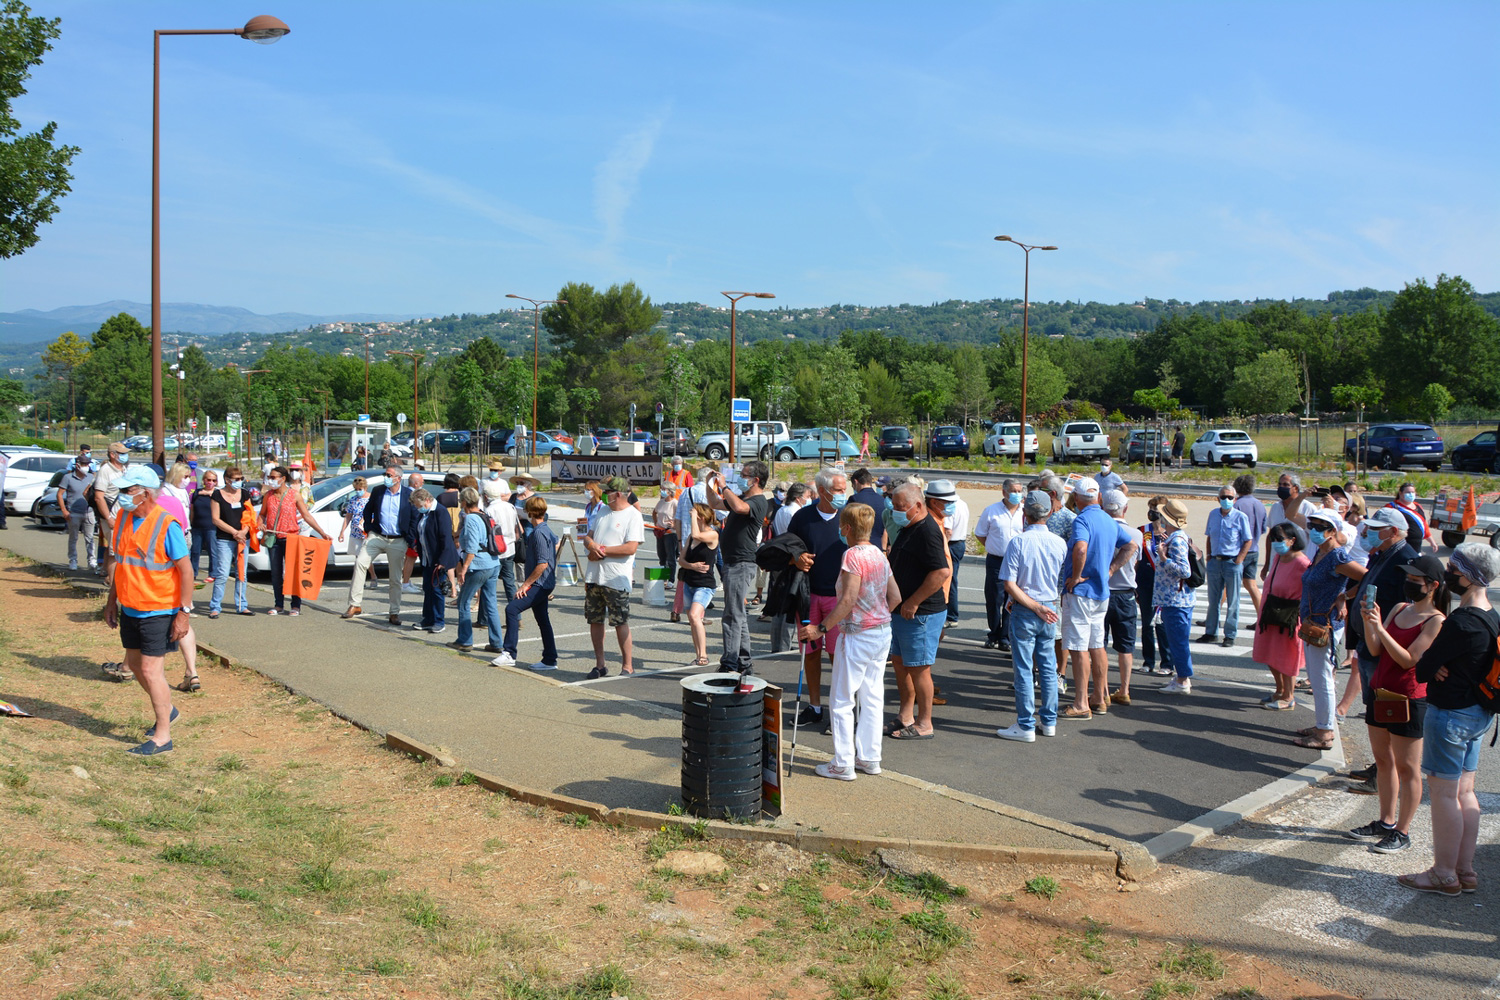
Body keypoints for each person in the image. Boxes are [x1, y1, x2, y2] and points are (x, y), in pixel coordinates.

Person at [1399, 543, 1500, 895]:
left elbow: (1423, 667)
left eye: (1454, 570)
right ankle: (1465, 870)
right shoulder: (1491, 616)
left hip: (1450, 716)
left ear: (1469, 575)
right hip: (1479, 714)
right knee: (1466, 793)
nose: (1449, 576)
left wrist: (1438, 666)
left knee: (1443, 795)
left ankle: (1444, 873)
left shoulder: (1460, 622)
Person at [1343, 554, 1446, 855]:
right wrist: (1369, 623)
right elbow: (1375, 649)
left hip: (1409, 698)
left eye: (1416, 581)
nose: (1409, 584)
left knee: (1407, 767)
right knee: (1384, 760)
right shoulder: (1400, 608)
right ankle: (1386, 821)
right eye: (1408, 579)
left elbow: (1409, 659)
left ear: (1433, 585)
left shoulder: (1436, 620)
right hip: (1381, 691)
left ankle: (1403, 830)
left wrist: (1382, 629)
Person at [797, 503, 898, 779]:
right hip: (881, 631)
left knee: (842, 699)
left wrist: (821, 627)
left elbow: (849, 598)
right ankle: (869, 757)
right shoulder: (878, 553)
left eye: (842, 526)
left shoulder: (852, 555)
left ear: (848, 528)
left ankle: (843, 762)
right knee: (872, 697)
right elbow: (895, 597)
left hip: (857, 632)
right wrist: (877, 614)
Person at [103, 465, 194, 755]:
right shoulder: (123, 520)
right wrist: (111, 601)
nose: (123, 496)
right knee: (136, 665)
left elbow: (186, 570)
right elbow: (121, 564)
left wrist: (184, 612)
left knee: (150, 670)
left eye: (129, 491)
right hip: (130, 607)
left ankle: (162, 737)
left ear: (146, 493)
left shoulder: (167, 524)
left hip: (159, 608)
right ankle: (167, 708)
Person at [1336, 507, 1419, 773]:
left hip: (1384, 646)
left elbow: (1409, 609)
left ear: (1394, 531)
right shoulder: (1383, 554)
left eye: (1375, 529)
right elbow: (1366, 585)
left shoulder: (1406, 559)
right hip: (1369, 641)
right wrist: (1347, 598)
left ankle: (1383, 770)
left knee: (1385, 710)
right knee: (1375, 709)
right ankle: (1380, 768)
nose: (1369, 533)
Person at [995, 490, 1069, 742]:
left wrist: (1030, 604)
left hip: (1027, 608)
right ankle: (1049, 721)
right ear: (1049, 512)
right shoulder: (1060, 542)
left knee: (1024, 668)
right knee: (1048, 668)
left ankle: (1025, 724)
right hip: (1049, 605)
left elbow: (1010, 584)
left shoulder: (1019, 542)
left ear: (1025, 513)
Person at [1061, 478, 1138, 717]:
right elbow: (1131, 546)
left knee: (1078, 647)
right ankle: (1099, 696)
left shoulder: (1082, 519)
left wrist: (1075, 576)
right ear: (1099, 497)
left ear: (1077, 498)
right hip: (1101, 592)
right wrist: (1111, 570)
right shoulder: (1107, 519)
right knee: (1097, 645)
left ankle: (1081, 702)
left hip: (1082, 592)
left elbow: (1081, 548)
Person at [1294, 509, 1366, 749]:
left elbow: (1367, 577)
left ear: (1333, 531)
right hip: (1312, 622)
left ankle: (1325, 732)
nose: (1313, 529)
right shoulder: (1320, 552)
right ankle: (1322, 724)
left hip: (1324, 625)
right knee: (1316, 677)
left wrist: (1344, 596)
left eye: (1319, 526)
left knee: (1322, 678)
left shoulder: (1337, 557)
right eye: (1311, 524)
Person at [885, 481, 952, 740]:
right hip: (904, 612)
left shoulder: (927, 531)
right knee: (901, 664)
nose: (896, 511)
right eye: (894, 506)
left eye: (901, 507)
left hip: (921, 613)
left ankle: (925, 723)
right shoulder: (909, 526)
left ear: (918, 506)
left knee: (920, 668)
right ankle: (905, 716)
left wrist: (913, 601)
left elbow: (941, 571)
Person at [786, 468, 851, 729]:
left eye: (844, 489)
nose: (843, 494)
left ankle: (840, 711)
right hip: (808, 596)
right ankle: (814, 707)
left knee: (838, 657)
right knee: (810, 654)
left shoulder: (849, 516)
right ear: (822, 491)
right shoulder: (802, 518)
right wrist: (796, 559)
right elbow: (786, 550)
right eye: (838, 490)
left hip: (839, 599)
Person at [707, 461, 770, 679]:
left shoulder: (758, 501)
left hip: (742, 563)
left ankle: (730, 662)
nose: (741, 478)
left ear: (756, 480)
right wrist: (711, 482)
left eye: (744, 475)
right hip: (734, 562)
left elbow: (740, 508)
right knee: (738, 615)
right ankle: (743, 661)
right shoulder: (742, 498)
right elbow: (714, 503)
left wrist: (724, 486)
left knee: (732, 615)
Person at [582, 476, 644, 679]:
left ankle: (628, 666)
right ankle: (600, 664)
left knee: (620, 621)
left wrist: (603, 550)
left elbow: (630, 547)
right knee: (595, 620)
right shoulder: (603, 511)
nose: (604, 494)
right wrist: (591, 545)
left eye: (607, 492)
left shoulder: (633, 516)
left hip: (616, 578)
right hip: (595, 575)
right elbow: (589, 535)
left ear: (618, 494)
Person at [491, 496, 560, 670]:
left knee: (512, 609)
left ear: (529, 512)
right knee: (542, 619)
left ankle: (509, 653)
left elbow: (542, 563)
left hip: (540, 583)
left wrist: (525, 585)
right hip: (545, 583)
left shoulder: (538, 533)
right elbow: (556, 544)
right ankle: (550, 659)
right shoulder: (546, 529)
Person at [344, 465, 417, 625]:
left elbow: (413, 518)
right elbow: (367, 510)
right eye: (386, 474)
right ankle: (354, 604)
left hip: (397, 539)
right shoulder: (378, 491)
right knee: (360, 563)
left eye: (389, 475)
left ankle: (394, 612)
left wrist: (409, 539)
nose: (386, 477)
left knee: (395, 577)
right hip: (376, 536)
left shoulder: (408, 494)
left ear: (398, 478)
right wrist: (369, 529)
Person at [258, 465, 331, 616]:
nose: (270, 480)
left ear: (283, 479)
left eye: (273, 477)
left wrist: (322, 532)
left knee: (294, 573)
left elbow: (306, 515)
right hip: (274, 538)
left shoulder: (294, 495)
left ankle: (295, 605)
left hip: (291, 538)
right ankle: (278, 605)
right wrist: (260, 523)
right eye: (269, 477)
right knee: (276, 574)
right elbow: (262, 514)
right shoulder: (268, 496)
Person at [1254, 523, 1311, 710]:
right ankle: (1279, 690)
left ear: (1292, 540)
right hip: (1271, 611)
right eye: (1273, 539)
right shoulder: (1279, 557)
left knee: (1287, 656)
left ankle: (1289, 696)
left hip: (1289, 616)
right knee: (1269, 654)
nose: (1276, 543)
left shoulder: (1302, 563)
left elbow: (1310, 590)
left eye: (1280, 539)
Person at [1198, 484, 1253, 648]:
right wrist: (1208, 555)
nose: (1226, 500)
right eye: (1223, 497)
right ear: (1218, 499)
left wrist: (1240, 559)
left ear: (1235, 499)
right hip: (1215, 561)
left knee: (1233, 601)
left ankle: (1230, 635)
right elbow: (1209, 536)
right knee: (1213, 600)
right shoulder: (1213, 514)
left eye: (1230, 497)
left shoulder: (1240, 517)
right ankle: (1211, 632)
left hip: (1232, 563)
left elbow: (1247, 540)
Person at [1152, 498, 1197, 694]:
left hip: (1175, 599)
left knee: (1178, 641)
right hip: (1175, 598)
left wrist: (1164, 559)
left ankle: (1182, 680)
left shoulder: (1177, 541)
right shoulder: (1177, 537)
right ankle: (1181, 677)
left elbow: (1184, 571)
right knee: (1177, 640)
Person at [1100, 490, 1139, 706]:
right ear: (1125, 508)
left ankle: (1103, 689)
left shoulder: (1103, 531)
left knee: (1100, 643)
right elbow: (1138, 564)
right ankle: (1124, 689)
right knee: (1126, 645)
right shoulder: (1137, 534)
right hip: (1126, 593)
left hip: (1104, 591)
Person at [975, 480, 1023, 651]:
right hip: (996, 560)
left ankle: (1006, 636)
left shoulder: (1025, 512)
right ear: (1004, 492)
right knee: (994, 598)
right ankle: (993, 634)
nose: (1017, 494)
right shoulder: (991, 511)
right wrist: (992, 547)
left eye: (1019, 490)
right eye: (1014, 491)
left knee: (1012, 599)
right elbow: (980, 534)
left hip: (1017, 562)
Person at [450, 487, 500, 652]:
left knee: (464, 602)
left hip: (479, 564)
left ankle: (465, 640)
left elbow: (471, 547)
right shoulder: (485, 515)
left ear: (464, 502)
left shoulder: (471, 518)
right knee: (490, 604)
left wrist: (463, 569)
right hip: (493, 562)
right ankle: (496, 643)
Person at [1135, 496, 1175, 677]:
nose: (1153, 512)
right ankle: (1148, 661)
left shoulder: (1172, 534)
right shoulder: (1142, 531)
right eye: (1151, 508)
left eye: (1157, 508)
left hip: (1164, 584)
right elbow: (1136, 559)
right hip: (1145, 582)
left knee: (1162, 624)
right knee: (1146, 623)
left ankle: (1167, 662)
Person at [207, 466, 254, 619]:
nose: (239, 482)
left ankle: (242, 605)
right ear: (227, 480)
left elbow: (250, 515)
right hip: (225, 538)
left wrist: (243, 532)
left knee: (242, 573)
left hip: (242, 538)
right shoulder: (217, 495)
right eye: (236, 479)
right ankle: (215, 606)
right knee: (222, 573)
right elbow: (216, 519)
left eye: (241, 479)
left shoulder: (245, 494)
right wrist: (234, 532)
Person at [411, 487, 458, 634]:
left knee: (437, 590)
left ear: (426, 500)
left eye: (418, 506)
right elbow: (421, 532)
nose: (418, 509)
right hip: (426, 558)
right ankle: (428, 619)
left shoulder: (440, 512)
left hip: (438, 560)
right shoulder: (425, 514)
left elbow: (445, 537)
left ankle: (439, 621)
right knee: (428, 589)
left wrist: (442, 561)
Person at [678, 501, 720, 667]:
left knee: (696, 616)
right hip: (689, 582)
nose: (690, 518)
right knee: (692, 620)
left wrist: (694, 517)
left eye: (693, 515)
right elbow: (681, 559)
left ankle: (704, 655)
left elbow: (697, 535)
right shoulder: (691, 537)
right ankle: (698, 655)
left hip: (705, 585)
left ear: (701, 517)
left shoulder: (712, 535)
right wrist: (692, 566)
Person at [92, 443, 131, 580]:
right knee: (114, 552)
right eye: (121, 453)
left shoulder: (124, 469)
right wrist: (108, 517)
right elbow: (99, 497)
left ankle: (115, 580)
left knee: (120, 551)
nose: (125, 455)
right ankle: (112, 583)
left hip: (124, 516)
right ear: (113, 455)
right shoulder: (106, 470)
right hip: (113, 517)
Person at [1232, 475, 1267, 618]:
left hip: (1238, 551)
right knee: (1251, 584)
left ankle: (1212, 618)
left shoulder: (1237, 505)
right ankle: (1261, 616)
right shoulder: (1260, 504)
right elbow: (1263, 528)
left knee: (1227, 586)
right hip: (1254, 549)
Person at [483, 477, 521, 602]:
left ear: (486, 496)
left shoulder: (489, 510)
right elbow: (517, 527)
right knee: (509, 582)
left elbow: (489, 532)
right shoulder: (510, 506)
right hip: (510, 547)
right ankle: (515, 616)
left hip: (497, 550)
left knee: (490, 584)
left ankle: (486, 617)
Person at [57, 456, 97, 571]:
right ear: (77, 465)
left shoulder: (91, 477)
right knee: (73, 538)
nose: (86, 466)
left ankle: (91, 560)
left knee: (90, 538)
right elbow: (59, 494)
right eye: (84, 464)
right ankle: (73, 560)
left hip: (88, 512)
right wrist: (64, 510)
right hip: (73, 513)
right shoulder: (67, 477)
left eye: (87, 464)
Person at [941, 487, 971, 627]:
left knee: (949, 581)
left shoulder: (950, 506)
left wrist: (942, 548)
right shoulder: (963, 503)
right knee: (952, 579)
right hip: (960, 543)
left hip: (952, 544)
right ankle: (952, 615)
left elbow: (948, 531)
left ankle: (951, 616)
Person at [187, 467, 218, 582]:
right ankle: (193, 573)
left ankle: (213, 573)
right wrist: (190, 523)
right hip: (197, 526)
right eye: (208, 480)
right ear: (204, 480)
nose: (210, 483)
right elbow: (193, 510)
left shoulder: (218, 494)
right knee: (195, 551)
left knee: (212, 551)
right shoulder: (197, 493)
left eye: (213, 480)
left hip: (212, 527)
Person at [847, 468, 886, 552]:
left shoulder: (854, 499)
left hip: (859, 547)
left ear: (856, 482)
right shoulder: (882, 500)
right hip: (878, 547)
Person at [1388, 481, 1430, 552]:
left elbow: (1424, 525)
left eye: (1413, 492)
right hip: (1401, 546)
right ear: (1400, 493)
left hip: (1417, 546)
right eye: (1408, 492)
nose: (1411, 494)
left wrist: (1431, 541)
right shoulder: (1392, 507)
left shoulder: (1418, 506)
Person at [336, 476, 371, 557]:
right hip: (356, 532)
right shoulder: (353, 499)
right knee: (358, 556)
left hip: (367, 532)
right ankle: (360, 570)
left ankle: (369, 570)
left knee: (364, 557)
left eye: (360, 489)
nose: (358, 491)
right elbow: (348, 516)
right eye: (356, 489)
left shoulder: (371, 498)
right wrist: (342, 531)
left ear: (365, 488)